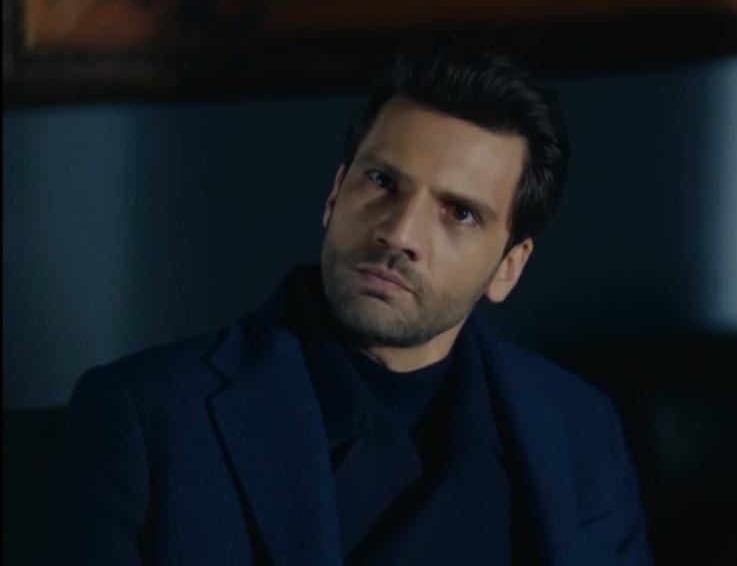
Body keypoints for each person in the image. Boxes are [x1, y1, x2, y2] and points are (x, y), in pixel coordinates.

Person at [63, 44, 651, 565]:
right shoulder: (148, 419)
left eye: (460, 213)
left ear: (509, 267)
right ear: (334, 194)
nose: (399, 233)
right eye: (382, 182)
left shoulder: (579, 426)